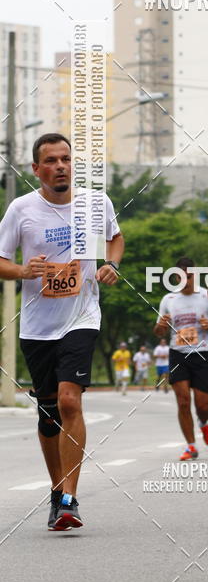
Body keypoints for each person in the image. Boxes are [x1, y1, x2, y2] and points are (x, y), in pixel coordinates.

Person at [0, 133, 123, 531]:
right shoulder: (21, 210)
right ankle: (57, 493)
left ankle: (70, 496)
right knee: (49, 413)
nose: (60, 166)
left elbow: (115, 237)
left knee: (70, 401)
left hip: (81, 315)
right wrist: (22, 271)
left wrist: (112, 265)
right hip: (38, 325)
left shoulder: (94, 203)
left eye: (66, 159)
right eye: (50, 160)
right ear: (36, 169)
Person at [154, 256, 208, 460]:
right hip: (177, 354)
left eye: (189, 276)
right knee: (183, 401)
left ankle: (203, 423)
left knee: (202, 405)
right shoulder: (168, 300)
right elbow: (158, 332)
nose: (186, 280)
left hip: (202, 353)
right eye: (181, 277)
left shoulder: (207, 297)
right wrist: (161, 325)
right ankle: (191, 445)